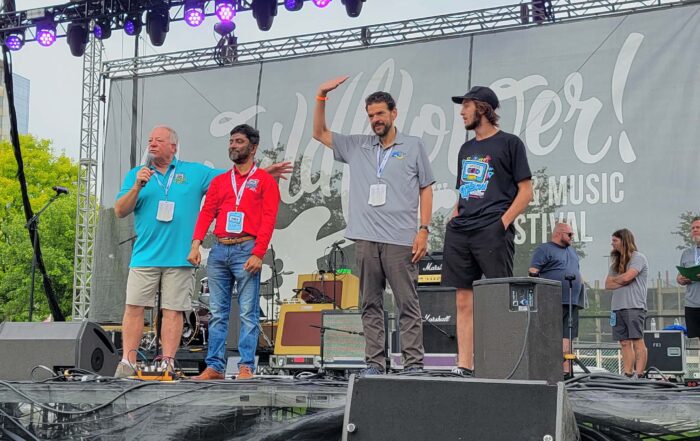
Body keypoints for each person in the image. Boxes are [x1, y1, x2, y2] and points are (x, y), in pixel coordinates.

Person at [113, 125, 289, 378]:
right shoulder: (137, 174)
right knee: (135, 307)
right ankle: (128, 362)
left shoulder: (194, 172)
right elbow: (120, 210)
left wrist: (264, 174)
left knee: (177, 310)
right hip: (147, 255)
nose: (152, 144)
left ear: (173, 147)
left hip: (185, 257)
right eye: (150, 140)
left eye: (158, 140)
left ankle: (171, 363)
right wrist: (137, 186)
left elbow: (238, 178)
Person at [313, 76, 434, 375]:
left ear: (394, 113)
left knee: (407, 303)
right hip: (366, 238)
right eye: (370, 115)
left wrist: (423, 229)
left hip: (400, 239)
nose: (375, 120)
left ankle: (413, 365)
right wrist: (321, 96)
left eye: (380, 113)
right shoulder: (358, 145)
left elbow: (426, 188)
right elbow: (319, 133)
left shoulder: (413, 146)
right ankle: (375, 364)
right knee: (370, 304)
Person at [441, 86, 533, 377]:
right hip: (462, 230)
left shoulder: (510, 143)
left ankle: (501, 364)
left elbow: (526, 191)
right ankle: (464, 365)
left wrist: (502, 223)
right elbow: (465, 191)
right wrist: (454, 217)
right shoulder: (466, 149)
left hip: (492, 229)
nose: (461, 112)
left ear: (482, 108)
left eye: (466, 106)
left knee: (497, 297)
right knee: (462, 299)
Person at [188, 124, 280, 380]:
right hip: (219, 250)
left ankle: (246, 366)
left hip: (247, 248)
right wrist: (196, 244)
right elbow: (207, 212)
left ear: (253, 147)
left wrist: (258, 253)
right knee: (217, 313)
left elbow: (269, 218)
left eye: (239, 141)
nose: (233, 145)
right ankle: (215, 366)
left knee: (248, 312)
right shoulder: (220, 181)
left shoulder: (264, 181)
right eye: (231, 141)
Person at [528, 222, 583, 375]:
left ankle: (566, 372)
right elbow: (533, 272)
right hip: (551, 301)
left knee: (568, 336)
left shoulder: (572, 251)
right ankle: (550, 370)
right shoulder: (544, 249)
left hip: (571, 301)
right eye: (569, 234)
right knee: (551, 335)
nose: (572, 237)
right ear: (558, 233)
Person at [605, 228, 648, 378]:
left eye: (615, 240)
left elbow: (627, 277)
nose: (612, 243)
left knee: (637, 341)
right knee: (624, 342)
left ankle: (639, 374)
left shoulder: (638, 258)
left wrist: (620, 279)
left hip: (634, 306)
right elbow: (607, 284)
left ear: (624, 241)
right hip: (617, 307)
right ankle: (628, 374)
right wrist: (622, 280)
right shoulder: (615, 264)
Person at [676, 217, 700, 347]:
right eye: (693, 228)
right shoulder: (687, 253)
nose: (695, 230)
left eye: (698, 227)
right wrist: (680, 279)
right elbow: (680, 275)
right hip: (692, 303)